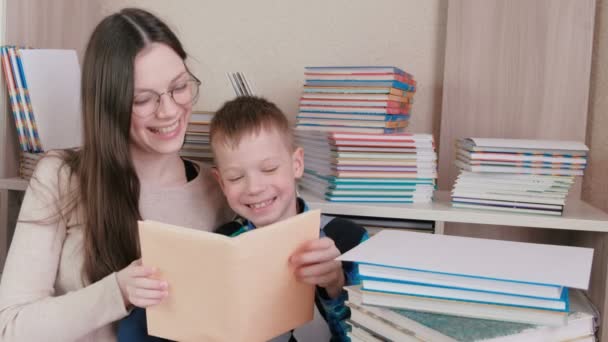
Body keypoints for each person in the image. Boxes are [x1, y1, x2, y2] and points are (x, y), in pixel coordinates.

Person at [0, 7, 232, 341]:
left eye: (179, 87)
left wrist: (327, 283)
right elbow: (11, 327)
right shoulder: (62, 178)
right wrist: (118, 292)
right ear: (109, 105)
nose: (169, 111)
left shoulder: (220, 188)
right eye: (143, 99)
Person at [119, 96, 369, 342]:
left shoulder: (350, 239)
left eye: (269, 169)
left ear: (296, 164)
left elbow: (369, 335)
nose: (254, 187)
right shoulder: (221, 245)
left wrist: (336, 285)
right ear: (221, 182)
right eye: (236, 177)